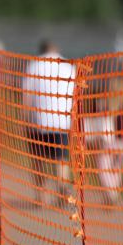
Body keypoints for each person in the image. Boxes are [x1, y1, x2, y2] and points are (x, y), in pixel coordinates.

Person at [21, 40, 76, 208]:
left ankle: (41, 196)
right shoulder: (68, 67)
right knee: (60, 159)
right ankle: (62, 189)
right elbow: (74, 97)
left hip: (39, 120)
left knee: (38, 159)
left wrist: (24, 119)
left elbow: (27, 96)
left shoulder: (34, 65)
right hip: (62, 121)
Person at [83, 77, 123, 204]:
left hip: (110, 143)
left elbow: (92, 122)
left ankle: (110, 194)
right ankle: (112, 194)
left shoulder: (103, 104)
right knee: (116, 169)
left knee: (103, 168)